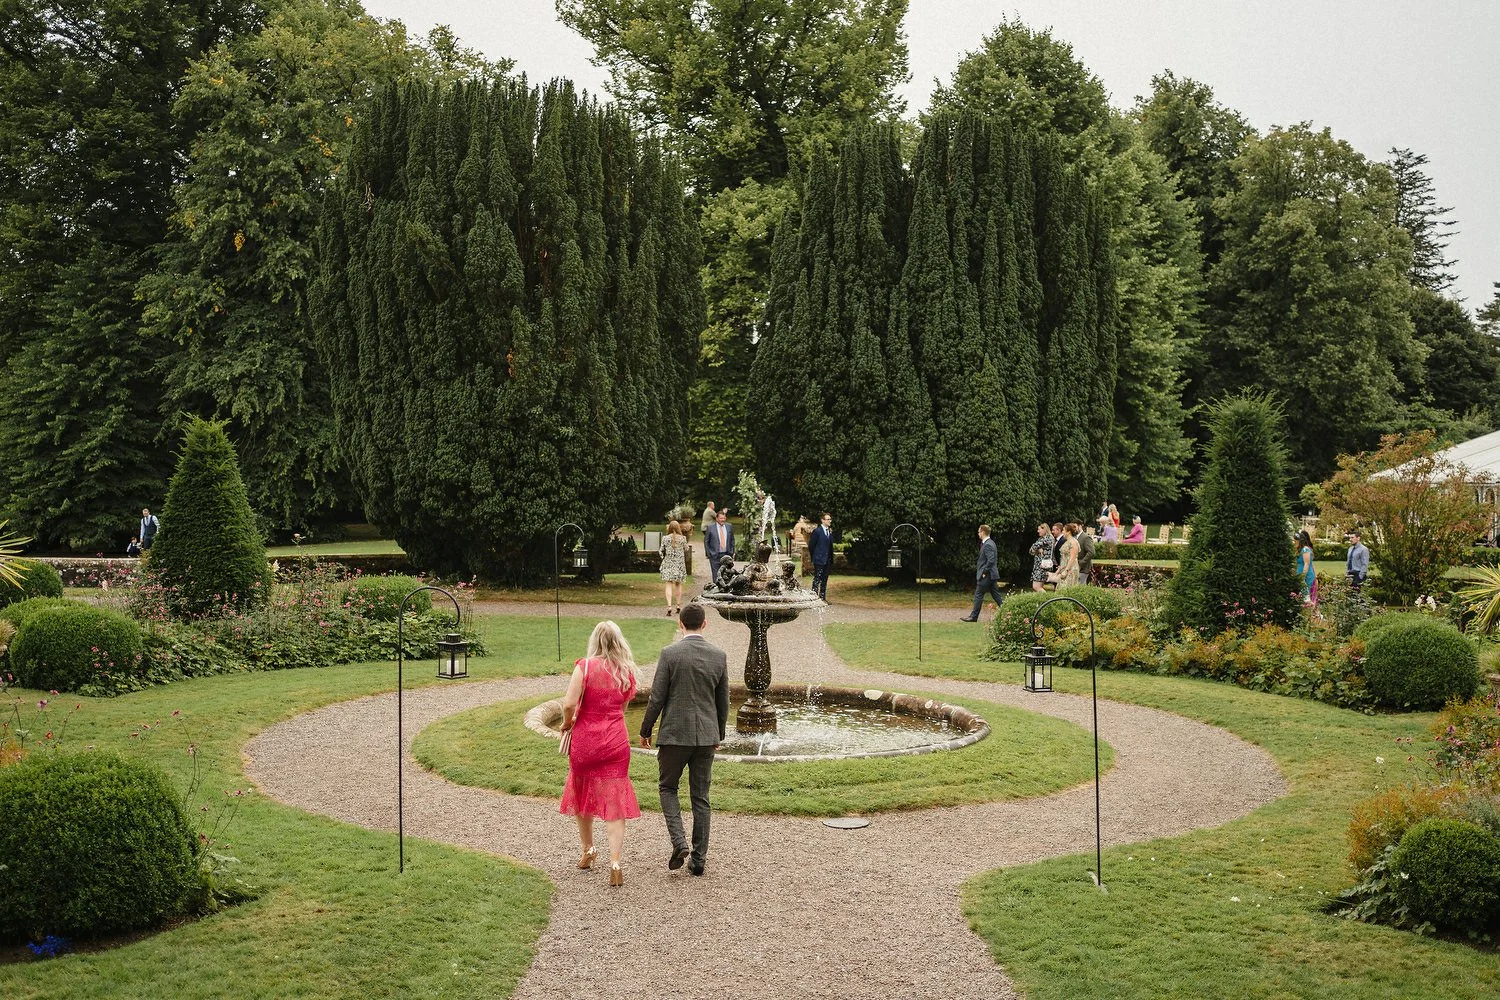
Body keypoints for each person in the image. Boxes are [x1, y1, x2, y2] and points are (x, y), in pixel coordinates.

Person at [640, 602, 730, 877]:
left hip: (674, 735)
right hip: (705, 736)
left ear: (680, 624)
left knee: (668, 788)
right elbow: (722, 701)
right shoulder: (719, 655)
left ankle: (679, 843)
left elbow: (657, 697)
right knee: (701, 797)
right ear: (705, 624)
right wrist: (719, 734)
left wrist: (645, 729)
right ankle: (699, 859)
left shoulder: (670, 654)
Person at [559, 620, 642, 887]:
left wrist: (567, 723)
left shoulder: (584, 667)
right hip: (616, 740)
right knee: (615, 801)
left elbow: (569, 703)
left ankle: (589, 850)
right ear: (619, 641)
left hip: (586, 740)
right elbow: (623, 708)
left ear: (595, 640)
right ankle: (616, 863)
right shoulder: (626, 671)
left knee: (582, 794)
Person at [960, 524, 1004, 622]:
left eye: (979, 532)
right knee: (996, 595)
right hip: (991, 575)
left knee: (978, 594)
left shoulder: (988, 544)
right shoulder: (990, 543)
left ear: (983, 532)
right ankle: (1008, 611)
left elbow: (991, 560)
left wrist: (984, 571)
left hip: (987, 575)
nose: (978, 534)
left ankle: (973, 617)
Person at [659, 520, 688, 615]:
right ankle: (678, 605)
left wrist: (665, 558)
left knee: (668, 584)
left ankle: (669, 606)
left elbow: (661, 551)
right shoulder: (683, 538)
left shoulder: (665, 538)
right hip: (679, 565)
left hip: (668, 564)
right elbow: (686, 549)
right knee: (678, 584)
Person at [808, 512, 834, 600]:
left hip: (827, 560)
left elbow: (830, 546)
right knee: (817, 579)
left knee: (825, 579)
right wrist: (815, 556)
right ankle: (814, 598)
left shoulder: (829, 531)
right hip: (819, 559)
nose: (830, 521)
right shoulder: (817, 531)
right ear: (822, 520)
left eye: (830, 519)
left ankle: (822, 598)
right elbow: (811, 546)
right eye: (828, 519)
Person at [1028, 523, 1053, 593]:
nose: (1038, 531)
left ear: (1044, 529)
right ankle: (1044, 601)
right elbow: (1031, 551)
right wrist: (1038, 550)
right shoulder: (1044, 538)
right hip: (1040, 565)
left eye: (1039, 529)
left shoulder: (1047, 538)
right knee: (1038, 586)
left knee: (1036, 586)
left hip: (1041, 566)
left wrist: (1036, 550)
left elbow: (1033, 547)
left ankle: (1048, 600)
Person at [1296, 530, 1317, 607]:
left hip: (1307, 577)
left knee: (1308, 599)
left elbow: (1307, 564)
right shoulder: (1300, 550)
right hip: (1300, 575)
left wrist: (1302, 577)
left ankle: (1315, 615)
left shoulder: (1305, 550)